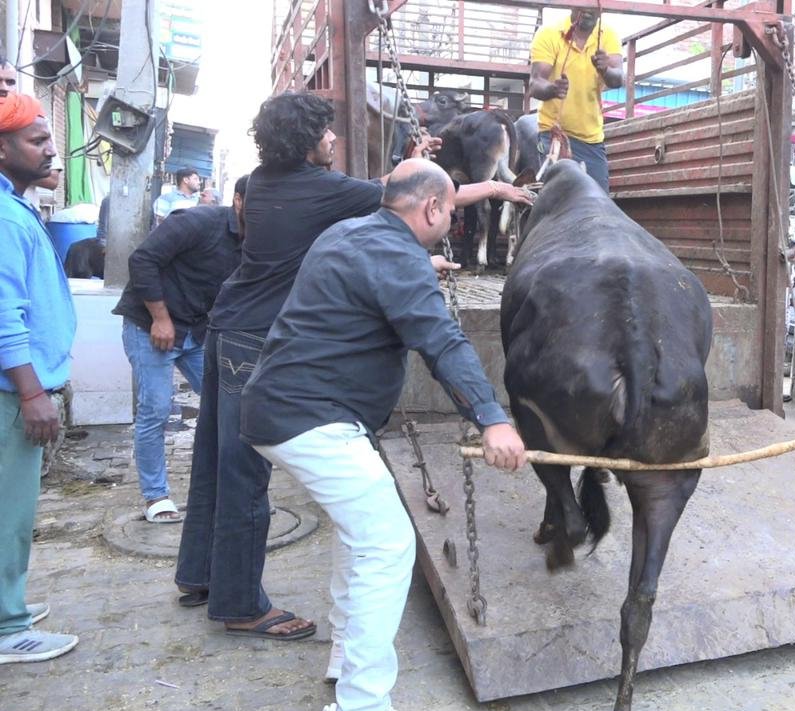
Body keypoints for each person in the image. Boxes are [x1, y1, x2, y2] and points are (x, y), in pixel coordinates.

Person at [173, 92, 529, 642]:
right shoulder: (324, 191)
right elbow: (412, 197)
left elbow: (396, 215)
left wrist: (412, 255)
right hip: (259, 338)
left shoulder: (263, 181)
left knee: (217, 467)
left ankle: (200, 575)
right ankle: (240, 602)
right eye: (325, 132)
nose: (334, 139)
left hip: (228, 324)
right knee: (246, 478)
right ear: (305, 141)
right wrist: (500, 188)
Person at [242, 159, 525, 711]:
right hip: (312, 417)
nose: (449, 223)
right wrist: (492, 417)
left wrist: (420, 265)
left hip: (281, 408)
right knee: (388, 543)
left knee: (359, 536)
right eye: (449, 214)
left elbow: (377, 277)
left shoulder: (348, 233)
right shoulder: (397, 258)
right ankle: (363, 708)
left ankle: (345, 662)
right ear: (432, 208)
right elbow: (442, 343)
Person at [112, 176, 248, 523]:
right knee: (156, 409)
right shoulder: (197, 221)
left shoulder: (257, 242)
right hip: (149, 326)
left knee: (229, 403)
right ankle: (156, 496)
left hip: (195, 331)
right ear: (237, 201)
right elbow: (142, 260)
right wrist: (160, 318)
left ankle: (229, 489)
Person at [0, 91, 79, 664]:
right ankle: (9, 629)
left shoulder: (15, 205)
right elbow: (4, 312)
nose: (52, 149)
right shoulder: (4, 217)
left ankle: (9, 602)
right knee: (11, 512)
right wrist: (31, 392)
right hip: (10, 393)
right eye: (36, 140)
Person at [528, 9, 624, 192]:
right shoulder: (549, 33)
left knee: (599, 201)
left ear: (601, 8)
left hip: (592, 139)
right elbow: (535, 84)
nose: (588, 10)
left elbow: (618, 79)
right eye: (583, 4)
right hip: (554, 135)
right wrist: (552, 89)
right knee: (557, 201)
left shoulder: (608, 35)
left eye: (593, 6)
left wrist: (605, 70)